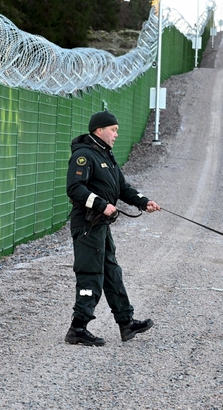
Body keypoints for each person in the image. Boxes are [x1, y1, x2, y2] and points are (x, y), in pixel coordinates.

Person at [64, 110, 161, 346]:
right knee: (91, 274)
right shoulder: (84, 156)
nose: (116, 134)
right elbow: (75, 188)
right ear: (99, 130)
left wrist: (143, 201)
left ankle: (126, 323)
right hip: (87, 223)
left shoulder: (105, 156)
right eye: (113, 130)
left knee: (112, 273)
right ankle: (78, 328)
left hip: (101, 225)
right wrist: (101, 205)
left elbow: (122, 187)